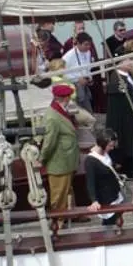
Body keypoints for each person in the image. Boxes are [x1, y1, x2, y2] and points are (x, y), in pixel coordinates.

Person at [41, 84, 80, 212]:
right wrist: (42, 158)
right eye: (69, 96)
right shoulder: (52, 117)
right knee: (59, 193)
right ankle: (58, 221)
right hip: (59, 160)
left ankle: (72, 214)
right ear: (66, 98)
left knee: (68, 189)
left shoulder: (61, 110)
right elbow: (49, 141)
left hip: (67, 159)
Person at [105, 58, 133, 179]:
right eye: (127, 61)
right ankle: (126, 169)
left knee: (131, 141)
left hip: (130, 117)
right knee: (125, 143)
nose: (131, 63)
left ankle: (131, 167)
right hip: (123, 118)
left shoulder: (127, 77)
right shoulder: (116, 78)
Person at [84, 128, 125, 226]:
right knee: (110, 224)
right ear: (103, 144)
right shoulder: (91, 161)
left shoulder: (105, 153)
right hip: (106, 198)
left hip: (114, 194)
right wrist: (94, 200)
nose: (112, 148)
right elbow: (90, 182)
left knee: (117, 220)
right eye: (110, 146)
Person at [61, 32, 95, 113]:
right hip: (73, 87)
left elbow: (88, 68)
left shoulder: (88, 52)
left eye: (89, 45)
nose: (88, 47)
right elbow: (62, 73)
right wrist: (77, 79)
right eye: (86, 45)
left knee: (88, 110)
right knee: (77, 111)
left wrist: (89, 78)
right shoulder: (68, 56)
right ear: (78, 44)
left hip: (84, 84)